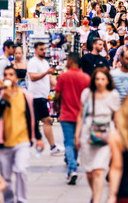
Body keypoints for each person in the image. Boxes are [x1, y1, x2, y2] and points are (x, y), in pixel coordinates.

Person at [0, 65, 43, 203]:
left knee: (22, 170)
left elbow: (32, 117)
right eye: (5, 75)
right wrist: (2, 100)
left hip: (22, 140)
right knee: (5, 177)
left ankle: (22, 200)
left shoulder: (25, 95)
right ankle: (9, 200)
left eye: (11, 75)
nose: (8, 78)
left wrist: (39, 137)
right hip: (3, 142)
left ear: (16, 78)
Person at [76, 68, 120, 203]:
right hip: (88, 132)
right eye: (97, 79)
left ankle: (96, 199)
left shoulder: (113, 95)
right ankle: (95, 193)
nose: (100, 82)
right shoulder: (87, 93)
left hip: (106, 133)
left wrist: (118, 136)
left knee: (99, 170)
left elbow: (117, 117)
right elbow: (80, 114)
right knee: (89, 172)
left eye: (103, 79)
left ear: (108, 81)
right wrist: (77, 135)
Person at [54, 53, 90, 185]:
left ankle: (72, 168)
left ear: (70, 61)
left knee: (68, 142)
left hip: (66, 114)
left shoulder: (64, 76)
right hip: (82, 116)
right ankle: (73, 166)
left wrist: (56, 107)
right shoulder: (86, 78)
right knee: (76, 142)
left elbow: (57, 95)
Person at [26, 41, 60, 153]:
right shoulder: (33, 62)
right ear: (35, 50)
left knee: (37, 121)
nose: (44, 51)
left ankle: (31, 142)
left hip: (43, 96)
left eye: (45, 49)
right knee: (46, 120)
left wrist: (59, 87)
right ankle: (52, 145)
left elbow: (50, 78)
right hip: (35, 96)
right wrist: (46, 72)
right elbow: (32, 77)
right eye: (41, 49)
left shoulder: (45, 62)